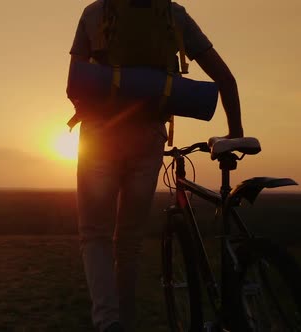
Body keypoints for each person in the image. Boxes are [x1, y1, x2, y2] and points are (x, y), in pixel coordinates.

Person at [68, 1, 244, 331]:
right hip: (149, 134)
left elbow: (75, 85)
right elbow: (224, 77)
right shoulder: (173, 14)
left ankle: (108, 323)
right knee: (130, 242)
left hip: (99, 134)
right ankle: (127, 322)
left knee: (95, 236)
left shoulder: (95, 13)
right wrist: (235, 132)